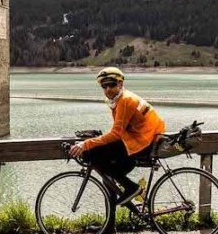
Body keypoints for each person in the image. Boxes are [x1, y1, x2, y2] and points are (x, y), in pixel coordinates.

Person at [69, 66, 166, 210]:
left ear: (120, 84)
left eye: (112, 84)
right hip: (139, 139)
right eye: (104, 86)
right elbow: (119, 129)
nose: (108, 89)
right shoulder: (119, 99)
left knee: (97, 158)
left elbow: (116, 133)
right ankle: (109, 229)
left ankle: (132, 188)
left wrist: (86, 144)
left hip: (143, 142)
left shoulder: (125, 100)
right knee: (108, 179)